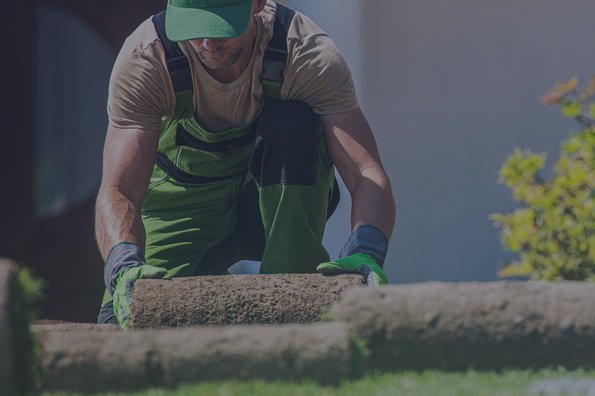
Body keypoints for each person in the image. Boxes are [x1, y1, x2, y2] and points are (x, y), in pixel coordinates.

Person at [95, 0, 396, 328]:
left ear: (258, 4)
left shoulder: (306, 53)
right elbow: (119, 188)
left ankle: (291, 290)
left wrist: (368, 248)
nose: (207, 43)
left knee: (293, 122)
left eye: (220, 26)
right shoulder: (147, 57)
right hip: (182, 206)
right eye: (194, 27)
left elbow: (365, 171)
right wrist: (122, 264)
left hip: (275, 207)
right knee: (122, 317)